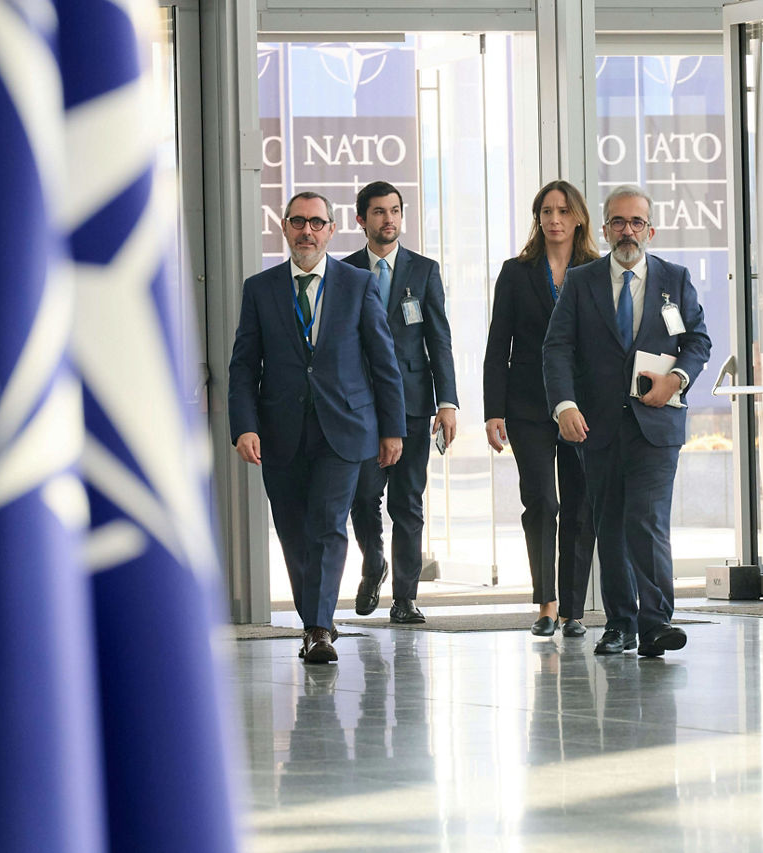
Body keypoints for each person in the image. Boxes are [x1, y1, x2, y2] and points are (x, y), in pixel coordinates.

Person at [228, 191, 405, 664]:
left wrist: (393, 429)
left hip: (345, 429)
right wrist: (244, 426)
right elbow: (244, 366)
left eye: (317, 223)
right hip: (280, 430)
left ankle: (319, 628)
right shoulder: (260, 289)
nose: (307, 231)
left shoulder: (356, 284)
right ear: (284, 228)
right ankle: (314, 620)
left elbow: (383, 362)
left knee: (328, 526)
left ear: (331, 230)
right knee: (293, 531)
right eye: (298, 222)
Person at [542, 184, 711, 657]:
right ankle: (621, 623)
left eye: (636, 222)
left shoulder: (674, 280)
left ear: (650, 230)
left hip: (656, 424)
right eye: (618, 221)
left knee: (647, 519)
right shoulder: (582, 281)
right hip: (595, 427)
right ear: (604, 229)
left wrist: (676, 378)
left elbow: (698, 341)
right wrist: (565, 406)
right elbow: (556, 348)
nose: (627, 230)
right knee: (610, 523)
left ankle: (657, 622)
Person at [483, 180, 599, 638]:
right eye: (546, 211)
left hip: (581, 405)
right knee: (542, 502)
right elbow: (498, 347)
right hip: (527, 405)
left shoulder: (595, 270)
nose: (554, 219)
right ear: (538, 219)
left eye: (562, 211)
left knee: (579, 505)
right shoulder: (516, 272)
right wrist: (494, 410)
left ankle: (574, 610)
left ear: (578, 219)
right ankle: (546, 604)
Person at [343, 181, 458, 625]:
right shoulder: (346, 271)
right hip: (361, 405)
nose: (387, 219)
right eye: (377, 212)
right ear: (361, 220)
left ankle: (405, 598)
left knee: (407, 501)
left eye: (394, 211)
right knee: (362, 494)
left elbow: (439, 341)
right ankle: (374, 564)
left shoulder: (423, 271)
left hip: (412, 403)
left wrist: (447, 402)